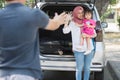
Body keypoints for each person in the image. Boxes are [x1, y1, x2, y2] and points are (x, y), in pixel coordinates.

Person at [0, 0, 67, 79]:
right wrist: (58, 20)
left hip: (3, 74)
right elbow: (54, 25)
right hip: (26, 75)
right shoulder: (34, 14)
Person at [63, 6, 94, 80]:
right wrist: (67, 21)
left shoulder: (87, 21)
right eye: (78, 13)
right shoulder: (73, 23)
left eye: (82, 12)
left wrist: (86, 35)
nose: (81, 14)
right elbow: (65, 31)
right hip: (78, 49)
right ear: (75, 14)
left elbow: (94, 34)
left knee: (87, 68)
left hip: (89, 49)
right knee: (79, 68)